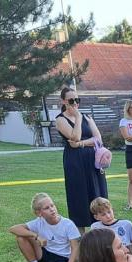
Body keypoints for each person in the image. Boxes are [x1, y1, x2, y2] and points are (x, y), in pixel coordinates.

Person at [54, 86, 107, 231]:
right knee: (79, 194)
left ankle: (100, 230)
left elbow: (98, 139)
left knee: (97, 192)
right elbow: (75, 136)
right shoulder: (60, 120)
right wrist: (77, 118)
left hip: (92, 160)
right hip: (75, 161)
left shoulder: (87, 117)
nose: (75, 103)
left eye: (77, 100)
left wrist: (80, 144)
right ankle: (81, 235)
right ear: (63, 101)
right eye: (71, 100)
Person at [8, 192, 81, 262]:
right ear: (39, 213)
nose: (52, 209)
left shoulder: (68, 224)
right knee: (21, 237)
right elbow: (13, 229)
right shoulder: (39, 222)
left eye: (52, 205)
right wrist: (36, 236)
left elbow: (75, 248)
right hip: (45, 255)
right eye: (47, 208)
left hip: (62, 259)